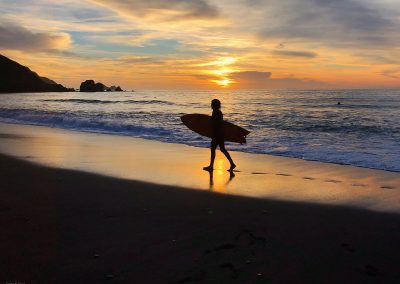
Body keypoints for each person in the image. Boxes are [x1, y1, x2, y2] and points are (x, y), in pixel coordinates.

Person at [203, 99, 236, 171]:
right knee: (222, 149)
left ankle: (211, 166)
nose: (211, 105)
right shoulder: (217, 112)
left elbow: (216, 124)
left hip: (217, 134)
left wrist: (214, 134)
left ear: (214, 105)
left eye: (212, 104)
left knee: (214, 150)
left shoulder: (216, 112)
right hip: (220, 134)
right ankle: (232, 164)